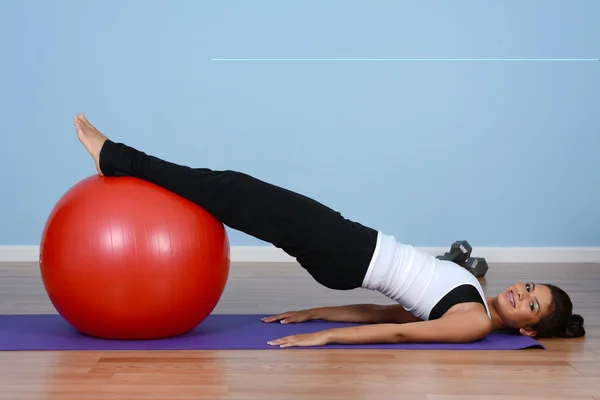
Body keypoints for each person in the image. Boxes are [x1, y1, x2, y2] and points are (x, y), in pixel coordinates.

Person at [73, 113, 585, 348]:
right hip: (350, 247)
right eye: (531, 287)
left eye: (531, 306)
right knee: (232, 194)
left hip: (348, 252)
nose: (522, 293)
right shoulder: (475, 295)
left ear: (526, 330)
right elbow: (387, 308)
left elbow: (401, 331)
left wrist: (327, 338)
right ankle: (123, 161)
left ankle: (116, 158)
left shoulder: (473, 321)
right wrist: (314, 310)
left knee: (231, 189)